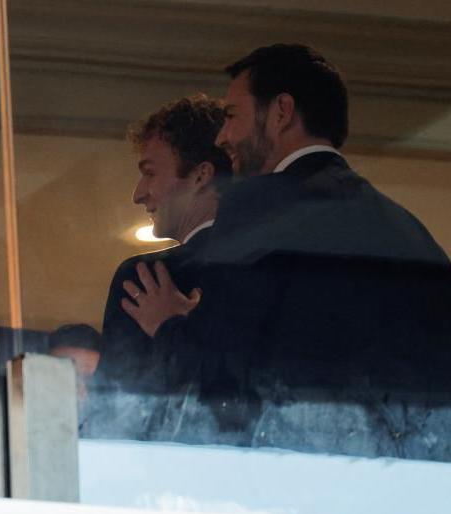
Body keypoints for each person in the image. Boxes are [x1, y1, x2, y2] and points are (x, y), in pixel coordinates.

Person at [121, 44, 451, 459]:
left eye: (232, 117)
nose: (223, 138)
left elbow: (226, 383)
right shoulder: (408, 230)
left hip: (294, 478)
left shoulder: (257, 209)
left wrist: (169, 326)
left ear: (281, 112)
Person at [90, 94, 232, 440]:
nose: (139, 193)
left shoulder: (146, 278)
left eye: (150, 173)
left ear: (201, 175)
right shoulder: (278, 265)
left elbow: (116, 417)